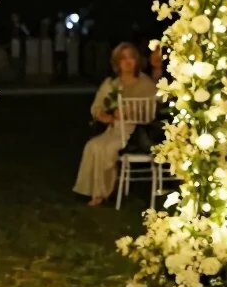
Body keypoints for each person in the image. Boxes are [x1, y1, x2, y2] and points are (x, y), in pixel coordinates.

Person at [73, 43, 156, 206]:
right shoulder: (112, 84)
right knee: (93, 145)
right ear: (117, 63)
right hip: (115, 129)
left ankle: (105, 192)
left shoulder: (146, 84)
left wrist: (130, 113)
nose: (127, 62)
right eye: (122, 58)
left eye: (130, 57)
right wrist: (107, 116)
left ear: (137, 60)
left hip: (135, 133)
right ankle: (93, 191)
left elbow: (152, 110)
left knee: (108, 149)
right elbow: (97, 107)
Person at [53, 11, 68, 81]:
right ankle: (58, 76)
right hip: (58, 47)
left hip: (62, 47)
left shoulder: (63, 25)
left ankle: (61, 76)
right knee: (59, 62)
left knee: (62, 62)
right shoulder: (59, 25)